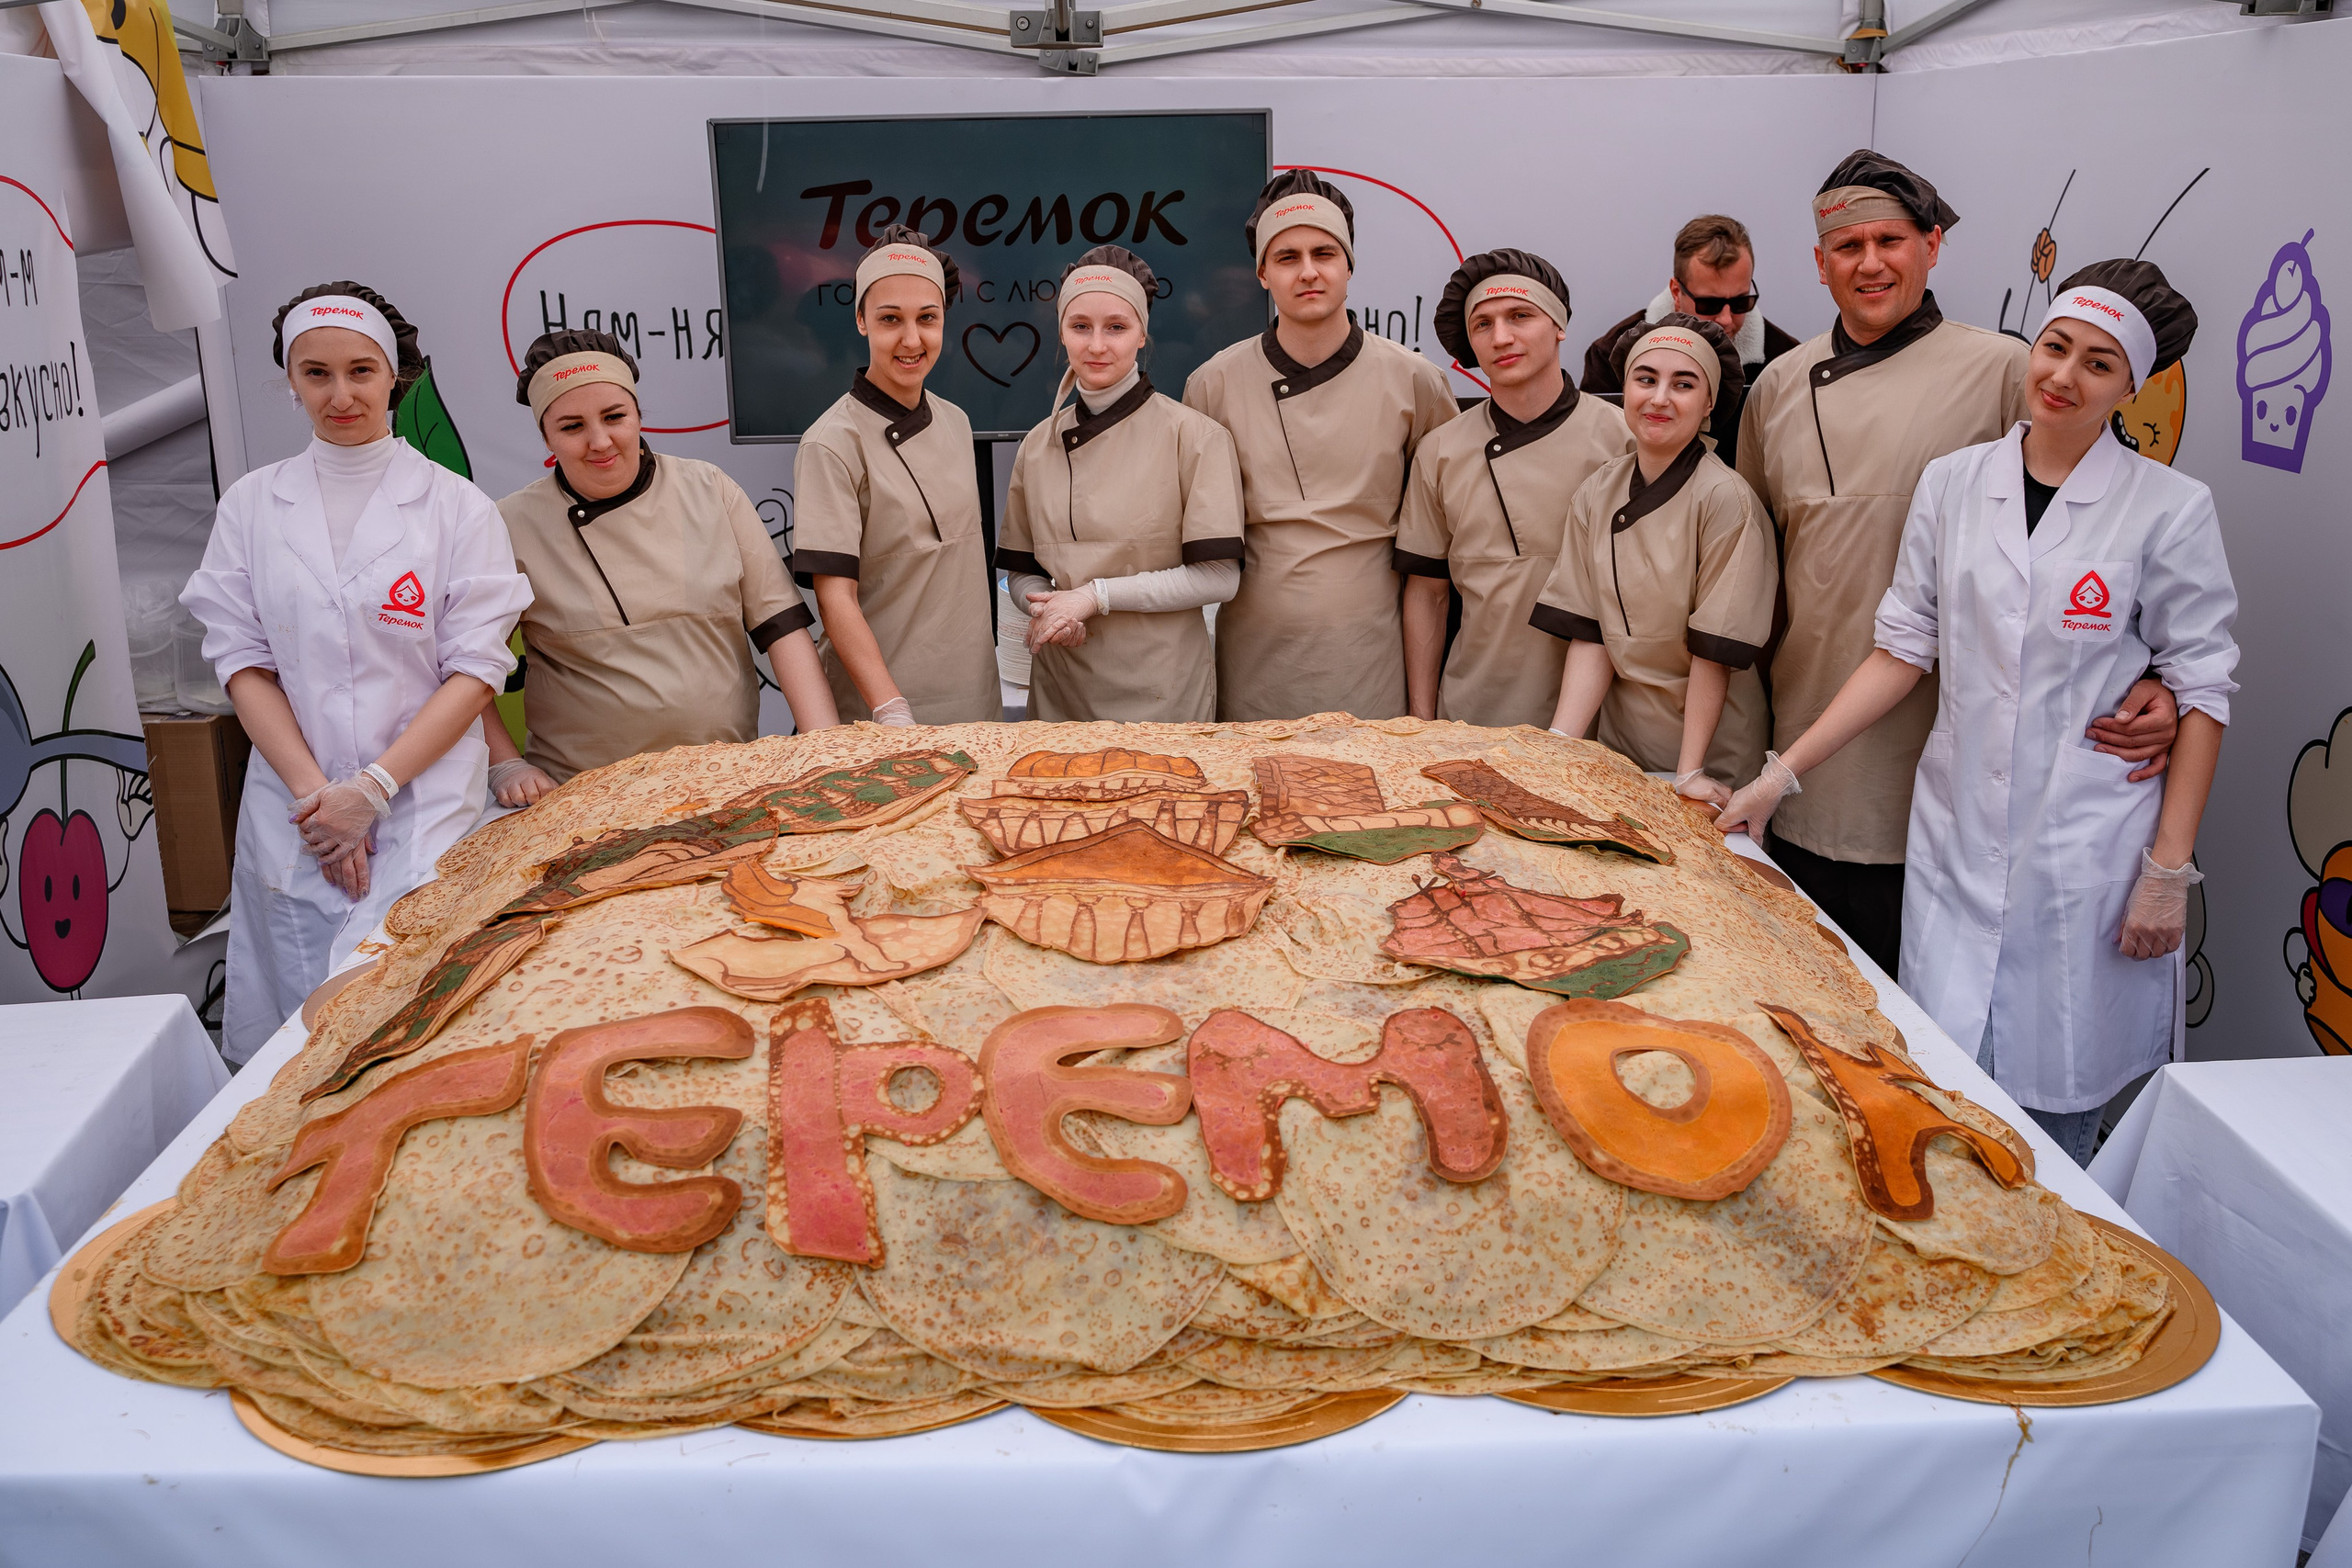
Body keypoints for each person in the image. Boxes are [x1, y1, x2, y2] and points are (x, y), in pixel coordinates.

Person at [1719, 263, 2233, 1165]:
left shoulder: (2169, 510)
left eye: (2099, 364)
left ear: (2131, 386)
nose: (2065, 376)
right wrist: (1779, 775)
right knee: (1944, 1096)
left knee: (2060, 1128)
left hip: (2087, 852)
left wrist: (2166, 870)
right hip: (1957, 839)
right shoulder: (1954, 485)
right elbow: (1899, 651)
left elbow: (2200, 689)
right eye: (2056, 347)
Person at [1733, 149, 2178, 975]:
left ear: (1933, 246)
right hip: (1804, 749)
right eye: (1849, 246)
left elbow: (2115, 530)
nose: (1871, 263)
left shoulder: (2010, 369)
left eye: (1892, 240)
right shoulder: (1777, 388)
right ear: (1819, 264)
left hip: (1966, 764)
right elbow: (1749, 570)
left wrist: (2158, 674)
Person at [182, 283, 532, 1063]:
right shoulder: (250, 506)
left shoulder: (456, 508)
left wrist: (370, 791)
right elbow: (241, 662)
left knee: (408, 1029)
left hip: (420, 805)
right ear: (290, 379)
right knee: (286, 1058)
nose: (341, 394)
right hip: (295, 813)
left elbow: (475, 672)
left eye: (361, 371)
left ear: (395, 376)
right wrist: (323, 801)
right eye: (316, 374)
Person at [486, 330, 835, 799]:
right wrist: (505, 764)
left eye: (615, 417)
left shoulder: (710, 489)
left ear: (637, 414)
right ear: (545, 435)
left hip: (726, 781)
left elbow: (782, 628)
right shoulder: (510, 523)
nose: (600, 441)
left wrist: (823, 747)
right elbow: (467, 668)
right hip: (581, 796)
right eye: (572, 427)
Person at [1184, 171, 1457, 722]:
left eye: (1324, 253)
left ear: (1349, 265)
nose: (1308, 272)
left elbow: (1445, 542)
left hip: (1373, 660)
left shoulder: (1414, 380)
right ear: (1262, 273)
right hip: (1253, 660)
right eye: (1286, 257)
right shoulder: (1212, 384)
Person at [996, 246, 1245, 722]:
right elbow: (1022, 570)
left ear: (1141, 335)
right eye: (1080, 327)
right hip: (1061, 692)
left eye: (1116, 327)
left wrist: (1094, 596)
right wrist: (1045, 609)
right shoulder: (1037, 445)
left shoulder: (1193, 437)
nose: (1096, 345)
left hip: (1162, 695)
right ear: (1062, 335)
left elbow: (1220, 577)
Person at [1534, 318, 1774, 798]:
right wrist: (1558, 745)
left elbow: (1715, 650)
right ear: (1623, 389)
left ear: (1709, 402)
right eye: (1645, 379)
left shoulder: (1725, 499)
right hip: (1621, 748)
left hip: (1711, 754)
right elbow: (1591, 633)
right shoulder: (1596, 492)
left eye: (1683, 384)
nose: (1660, 398)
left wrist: (1689, 773)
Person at [1396, 249, 1626, 728]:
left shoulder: (1623, 439)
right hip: (1475, 710)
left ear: (1559, 325)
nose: (1501, 338)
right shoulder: (1440, 451)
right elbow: (1428, 593)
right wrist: (1421, 722)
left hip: (1605, 721)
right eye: (1483, 324)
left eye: (1520, 316)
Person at [791, 227, 1001, 728]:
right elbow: (834, 596)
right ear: (861, 321)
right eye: (890, 320)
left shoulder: (957, 422)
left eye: (928, 319)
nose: (912, 340)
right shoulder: (830, 443)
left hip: (974, 697)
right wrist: (891, 710)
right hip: (880, 710)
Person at [1577, 213, 1799, 466]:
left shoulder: (1784, 360)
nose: (1726, 319)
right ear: (1676, 291)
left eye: (1740, 302)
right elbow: (1598, 459)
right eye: (1709, 304)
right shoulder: (1609, 356)